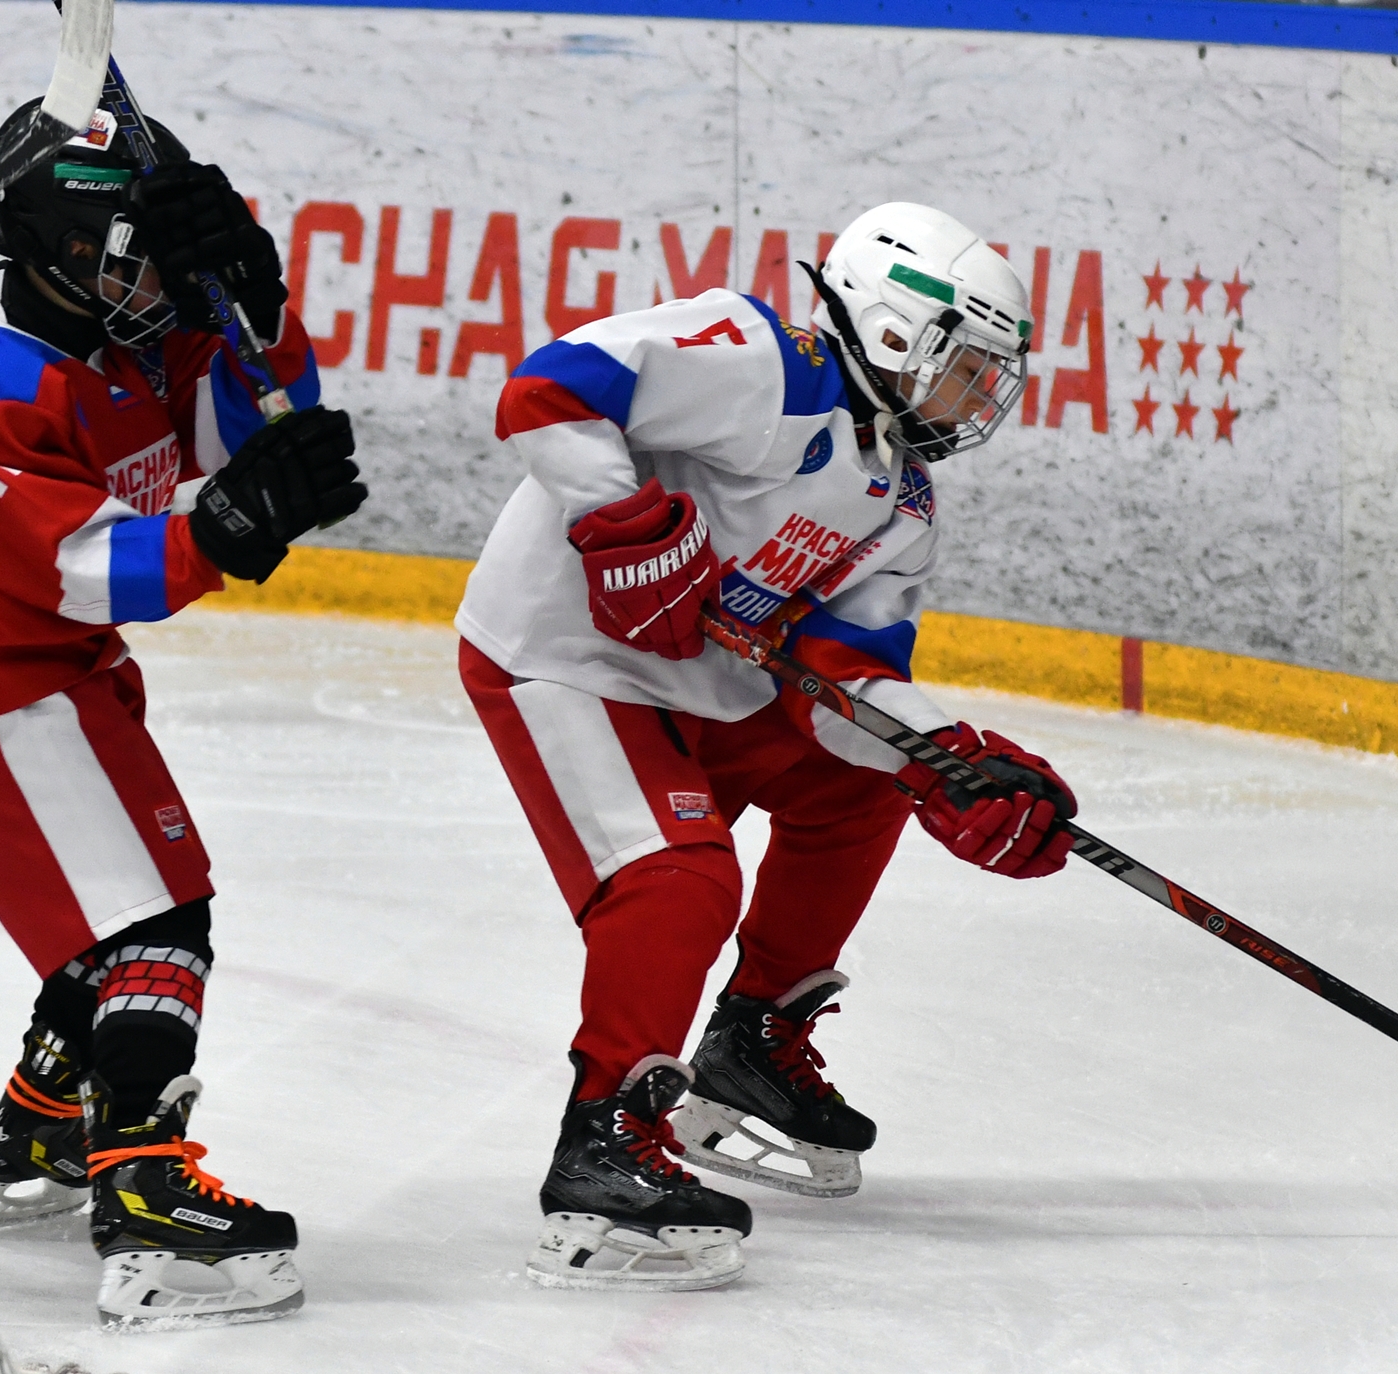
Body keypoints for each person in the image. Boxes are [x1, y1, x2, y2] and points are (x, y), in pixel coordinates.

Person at [457, 201, 1078, 1290]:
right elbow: (546, 389)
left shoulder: (903, 500)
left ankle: (751, 1043)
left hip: (710, 693)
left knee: (855, 788)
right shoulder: (762, 364)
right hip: (567, 661)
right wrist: (624, 525)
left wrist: (948, 762)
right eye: (969, 366)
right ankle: (603, 1137)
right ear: (895, 330)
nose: (982, 396)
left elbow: (843, 684)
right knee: (678, 878)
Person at [0, 97, 365, 1327]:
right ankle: (139, 1186)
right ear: (55, 255)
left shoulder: (140, 343)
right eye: (130, 252)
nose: (157, 279)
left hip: (49, 662)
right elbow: (77, 567)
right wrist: (232, 525)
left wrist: (261, 301)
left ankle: (39, 1123)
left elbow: (250, 425)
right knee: (155, 917)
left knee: (115, 908)